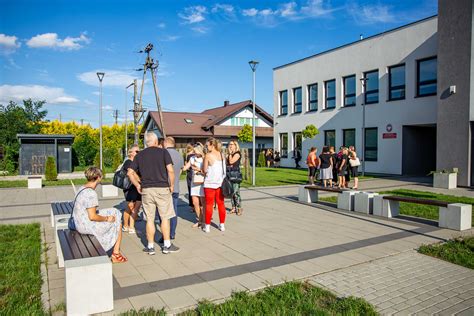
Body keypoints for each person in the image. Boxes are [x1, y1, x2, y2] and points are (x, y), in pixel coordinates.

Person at [127, 132, 179, 255]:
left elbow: (130, 172)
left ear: (146, 142)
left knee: (149, 219)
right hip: (162, 188)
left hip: (147, 189)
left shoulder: (140, 155)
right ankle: (167, 245)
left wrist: (138, 185)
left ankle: (150, 247)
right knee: (165, 217)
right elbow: (170, 171)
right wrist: (171, 185)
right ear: (156, 142)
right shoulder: (163, 152)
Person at [72, 167, 126, 263]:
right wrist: (106, 218)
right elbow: (92, 216)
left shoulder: (82, 188)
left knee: (116, 212)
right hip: (85, 226)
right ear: (98, 177)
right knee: (117, 221)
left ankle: (116, 253)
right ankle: (116, 254)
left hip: (79, 221)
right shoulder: (91, 193)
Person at [203, 137, 226, 233]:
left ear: (212, 145)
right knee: (221, 204)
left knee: (209, 204)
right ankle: (222, 225)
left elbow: (204, 170)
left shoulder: (208, 155)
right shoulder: (222, 154)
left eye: (207, 145)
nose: (206, 147)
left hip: (209, 183)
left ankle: (207, 226)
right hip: (220, 183)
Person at [164, 136, 184, 241]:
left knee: (164, 212)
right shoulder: (179, 155)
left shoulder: (163, 154)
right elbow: (181, 170)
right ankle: (172, 233)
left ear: (166, 143)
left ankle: (165, 234)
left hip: (165, 187)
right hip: (176, 186)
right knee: (174, 211)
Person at [182, 144, 205, 228]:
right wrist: (182, 167)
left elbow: (206, 171)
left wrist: (198, 169)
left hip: (202, 182)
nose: (194, 153)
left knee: (202, 203)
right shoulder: (192, 158)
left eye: (196, 151)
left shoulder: (204, 158)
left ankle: (204, 221)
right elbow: (186, 167)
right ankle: (199, 220)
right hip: (194, 182)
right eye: (194, 151)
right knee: (195, 203)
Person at [121, 144, 141, 234]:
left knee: (137, 206)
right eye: (136, 151)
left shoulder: (138, 162)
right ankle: (125, 225)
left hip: (138, 186)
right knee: (130, 207)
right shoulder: (128, 162)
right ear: (131, 153)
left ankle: (132, 226)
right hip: (130, 187)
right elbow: (132, 173)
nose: (138, 152)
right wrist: (140, 180)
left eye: (139, 151)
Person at [227, 140, 242, 215]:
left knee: (236, 192)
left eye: (232, 144)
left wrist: (229, 154)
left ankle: (239, 208)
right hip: (229, 174)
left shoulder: (237, 153)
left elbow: (231, 162)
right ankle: (233, 207)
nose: (230, 146)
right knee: (231, 192)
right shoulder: (230, 154)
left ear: (236, 145)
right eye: (229, 144)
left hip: (235, 174)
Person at [185, 143, 195, 211]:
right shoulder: (194, 155)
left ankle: (192, 206)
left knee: (190, 190)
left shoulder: (188, 156)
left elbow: (186, 165)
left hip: (189, 173)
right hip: (194, 173)